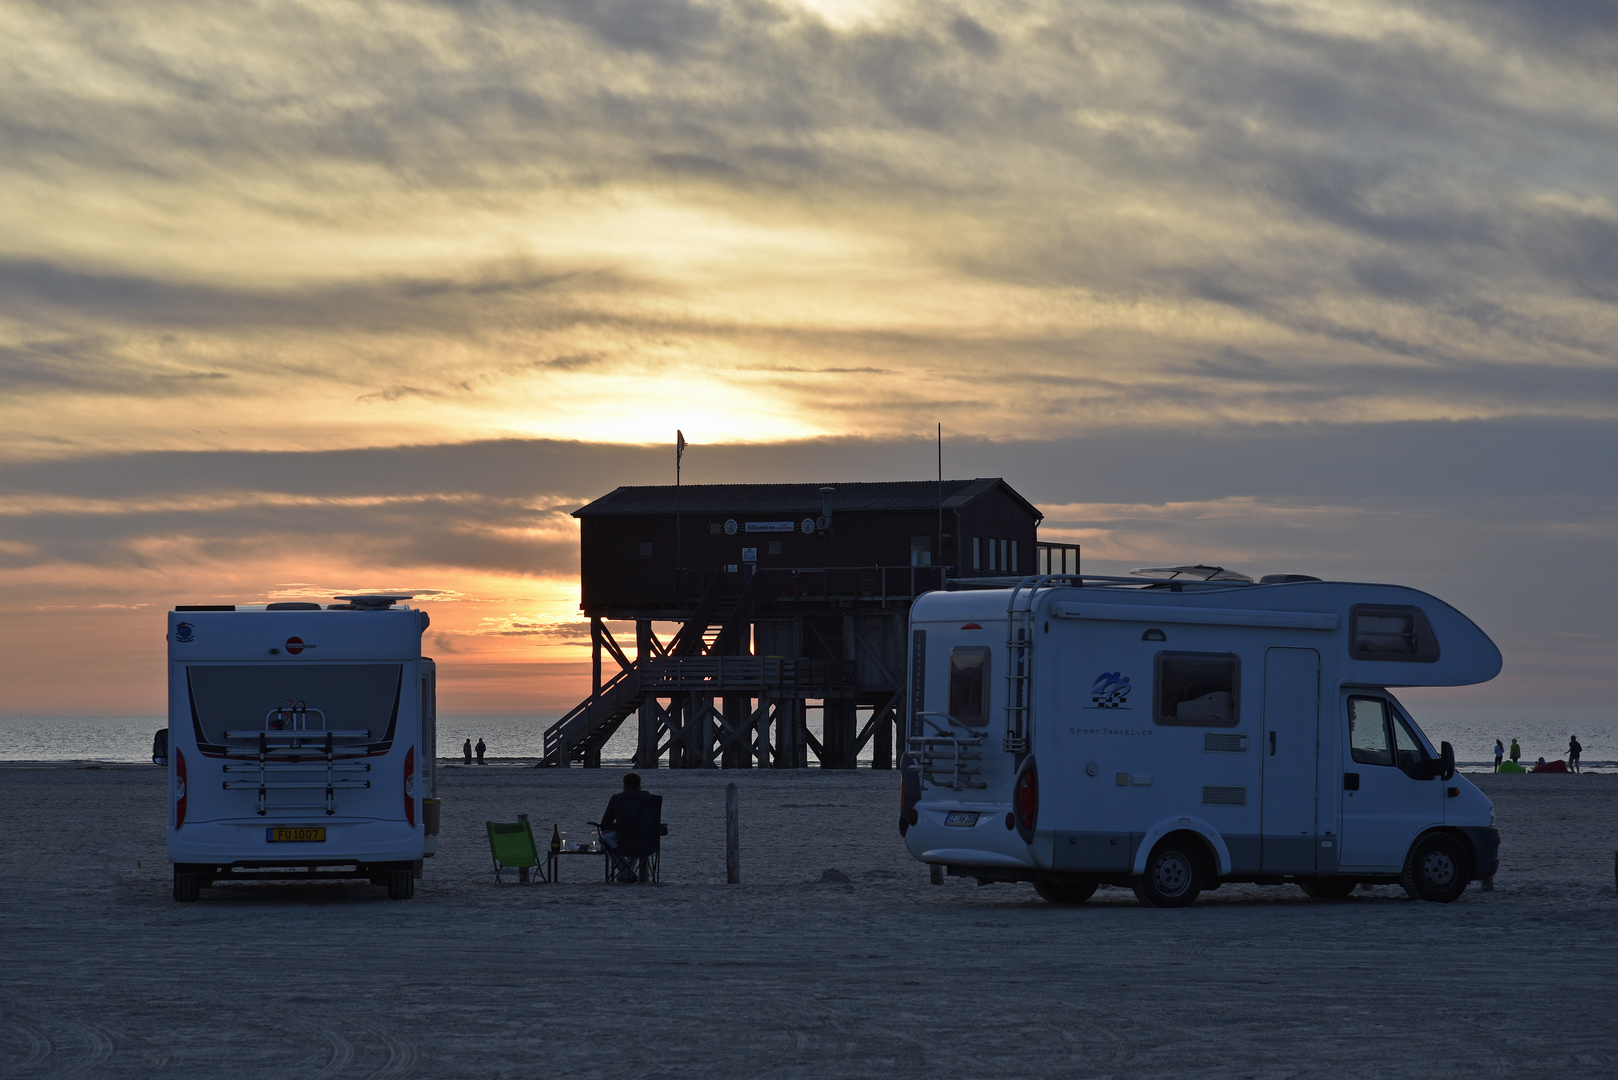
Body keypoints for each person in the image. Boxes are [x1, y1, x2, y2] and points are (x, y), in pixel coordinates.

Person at [598, 772, 646, 882]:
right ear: (640, 787)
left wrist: (614, 827)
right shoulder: (649, 798)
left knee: (603, 838)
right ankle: (627, 872)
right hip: (647, 842)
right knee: (636, 835)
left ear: (624, 787)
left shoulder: (617, 798)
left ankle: (626, 872)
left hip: (624, 840)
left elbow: (604, 824)